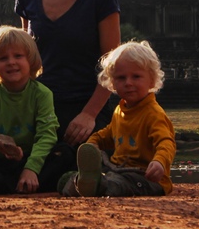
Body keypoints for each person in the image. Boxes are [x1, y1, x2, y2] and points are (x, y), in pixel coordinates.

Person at [15, 0, 121, 147]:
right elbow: (26, 59)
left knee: (70, 157)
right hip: (41, 104)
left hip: (87, 104)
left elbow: (112, 65)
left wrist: (89, 115)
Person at [60, 41, 176, 197]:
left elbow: (166, 142)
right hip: (116, 169)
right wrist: (92, 145)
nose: (128, 83)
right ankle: (81, 183)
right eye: (121, 78)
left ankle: (96, 186)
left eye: (136, 77)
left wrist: (159, 162)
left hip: (146, 176)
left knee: (119, 183)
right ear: (112, 83)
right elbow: (107, 135)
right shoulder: (119, 110)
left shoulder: (153, 114)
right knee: (74, 177)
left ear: (152, 80)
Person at [0, 26, 69, 194]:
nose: (11, 62)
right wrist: (0, 150)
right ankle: (29, 185)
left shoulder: (42, 94)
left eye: (18, 56)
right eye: (3, 58)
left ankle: (26, 181)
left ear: (31, 60)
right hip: (5, 160)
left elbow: (47, 135)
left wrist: (31, 168)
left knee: (64, 153)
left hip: (36, 157)